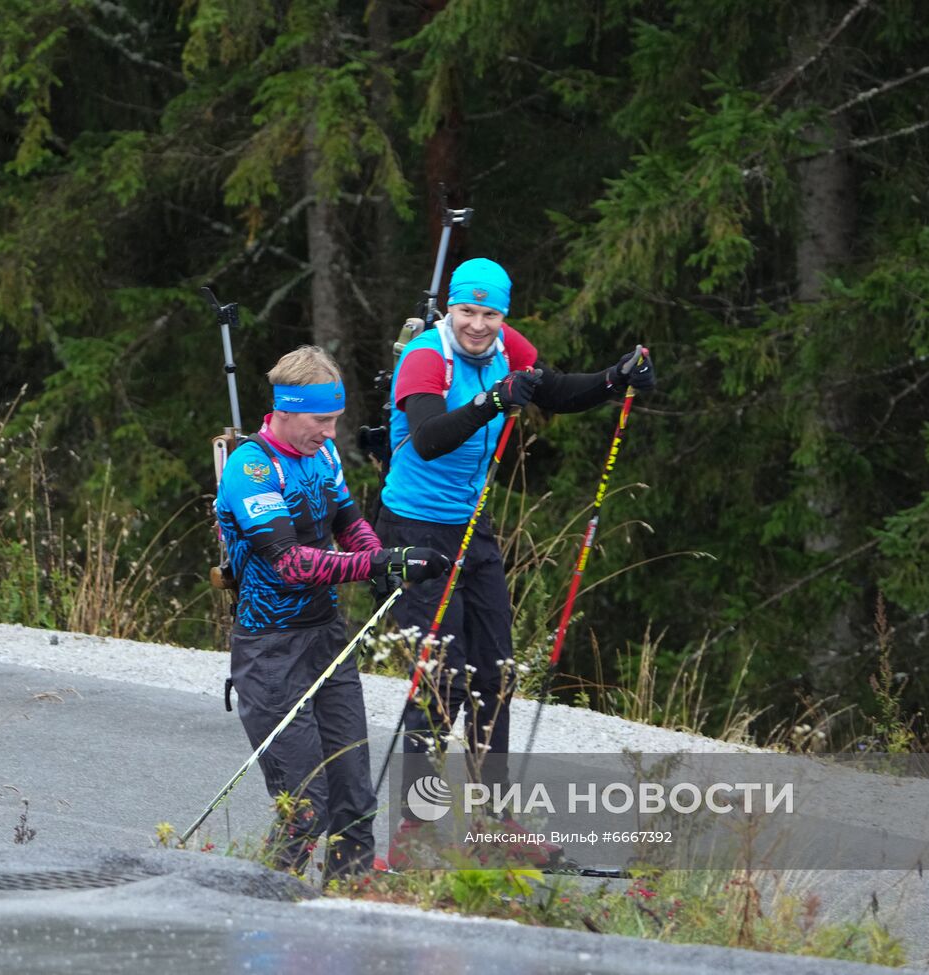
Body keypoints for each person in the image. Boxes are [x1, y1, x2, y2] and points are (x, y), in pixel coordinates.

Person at [377, 257, 655, 864]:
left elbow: (551, 388)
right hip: (413, 531)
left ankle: (494, 824)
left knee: (495, 674)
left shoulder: (509, 346)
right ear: (450, 309)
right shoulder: (427, 356)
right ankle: (415, 834)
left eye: (490, 313)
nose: (478, 325)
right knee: (442, 683)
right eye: (468, 311)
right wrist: (493, 400)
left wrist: (616, 379)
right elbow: (427, 438)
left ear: (504, 314)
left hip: (472, 531)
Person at [214, 345, 450, 880]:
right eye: (322, 420)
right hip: (270, 651)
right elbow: (290, 563)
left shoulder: (321, 457)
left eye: (337, 420)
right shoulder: (251, 469)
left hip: (328, 638)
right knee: (306, 809)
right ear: (287, 410)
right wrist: (380, 561)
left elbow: (348, 523)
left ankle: (351, 905)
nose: (330, 432)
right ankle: (262, 901)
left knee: (355, 801)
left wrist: (379, 560)